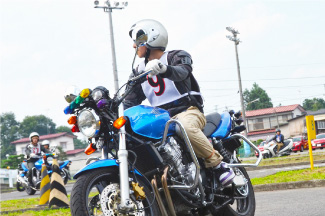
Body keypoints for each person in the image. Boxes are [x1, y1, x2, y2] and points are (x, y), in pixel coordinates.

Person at [124, 19, 235, 186]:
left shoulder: (176, 56)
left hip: (188, 111)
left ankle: (218, 164)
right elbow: (129, 100)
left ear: (152, 39)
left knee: (184, 126)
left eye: (137, 42)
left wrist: (164, 69)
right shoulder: (138, 71)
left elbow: (182, 72)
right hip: (162, 118)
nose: (134, 46)